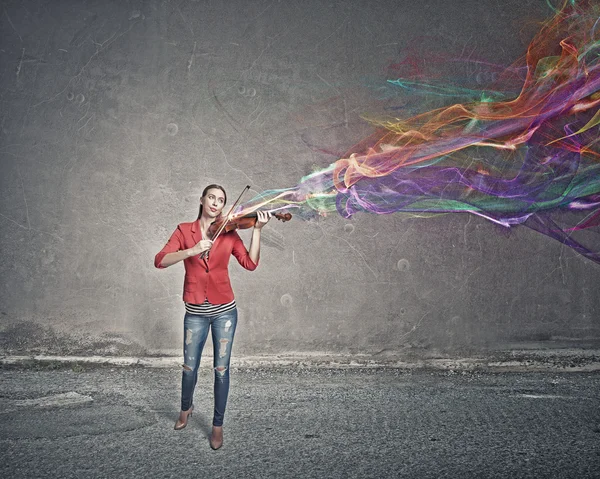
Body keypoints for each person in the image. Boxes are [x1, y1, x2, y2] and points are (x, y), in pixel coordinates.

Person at [154, 184, 270, 450]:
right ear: (202, 200)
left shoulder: (229, 233)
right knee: (189, 367)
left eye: (221, 200)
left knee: (221, 370)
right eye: (212, 197)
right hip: (195, 311)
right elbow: (160, 260)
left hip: (224, 312)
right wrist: (192, 250)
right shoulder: (185, 231)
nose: (216, 203)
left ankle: (217, 426)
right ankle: (186, 408)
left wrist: (257, 231)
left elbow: (250, 264)